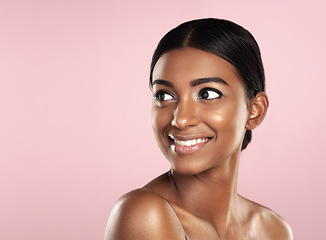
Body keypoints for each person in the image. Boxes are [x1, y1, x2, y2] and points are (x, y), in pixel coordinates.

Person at [105, 18, 293, 240]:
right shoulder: (144, 213)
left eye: (207, 94)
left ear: (255, 110)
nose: (181, 120)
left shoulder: (274, 230)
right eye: (164, 95)